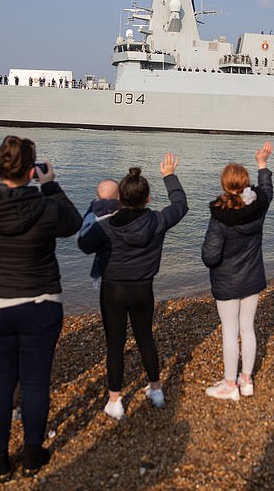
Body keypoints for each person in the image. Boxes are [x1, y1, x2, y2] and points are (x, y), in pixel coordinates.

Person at [0, 136, 82, 482]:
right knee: (34, 383)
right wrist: (51, 185)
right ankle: (32, 453)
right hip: (40, 302)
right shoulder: (47, 208)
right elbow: (73, 223)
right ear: (32, 171)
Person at [78, 154, 188, 419]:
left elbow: (83, 244)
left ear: (119, 199)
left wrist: (96, 208)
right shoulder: (158, 221)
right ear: (148, 199)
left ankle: (115, 401)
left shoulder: (105, 226)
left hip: (113, 290)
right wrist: (169, 176)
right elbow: (181, 205)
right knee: (145, 338)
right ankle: (156, 390)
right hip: (143, 289)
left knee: (115, 345)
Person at [201, 141, 273, 401]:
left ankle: (230, 385)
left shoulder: (219, 216)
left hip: (227, 282)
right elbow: (266, 190)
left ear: (224, 185)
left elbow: (209, 256)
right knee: (248, 329)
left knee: (229, 331)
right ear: (245, 184)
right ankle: (246, 380)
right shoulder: (259, 207)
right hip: (252, 277)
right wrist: (262, 164)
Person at [79, 179, 120, 290]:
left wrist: (93, 205)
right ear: (119, 196)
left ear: (97, 196)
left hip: (108, 275)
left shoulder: (96, 219)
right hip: (135, 276)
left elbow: (84, 243)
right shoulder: (124, 213)